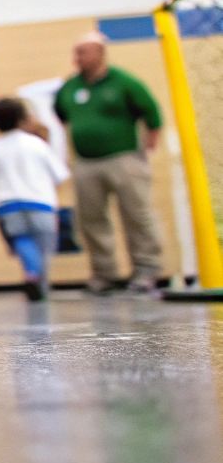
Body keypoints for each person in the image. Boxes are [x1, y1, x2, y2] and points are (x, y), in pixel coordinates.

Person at [52, 31, 165, 294]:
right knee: (91, 219)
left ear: (100, 53)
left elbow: (151, 111)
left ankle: (147, 269)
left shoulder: (124, 82)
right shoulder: (71, 86)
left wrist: (151, 139)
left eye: (83, 52)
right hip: (86, 162)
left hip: (124, 158)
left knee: (137, 215)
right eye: (76, 52)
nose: (77, 58)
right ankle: (104, 274)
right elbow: (61, 113)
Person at [0, 98, 70, 301]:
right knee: (44, 249)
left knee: (21, 240)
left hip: (8, 207)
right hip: (41, 205)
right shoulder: (37, 145)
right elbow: (60, 175)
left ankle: (31, 273)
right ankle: (39, 284)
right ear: (22, 118)